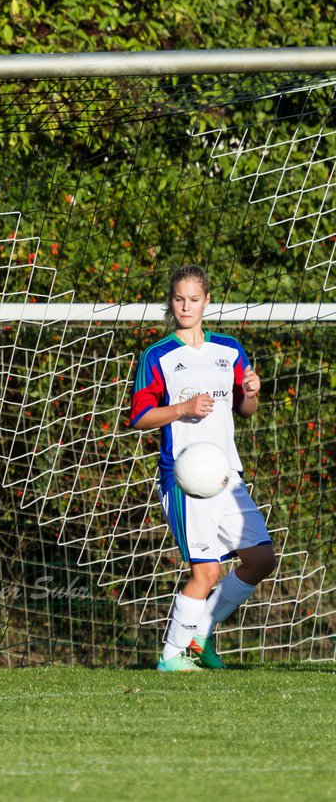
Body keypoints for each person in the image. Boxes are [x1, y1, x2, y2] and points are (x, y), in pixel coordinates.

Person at [130, 264, 276, 671]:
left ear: (207, 301)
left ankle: (201, 632)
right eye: (179, 299)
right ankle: (171, 656)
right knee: (207, 571)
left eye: (194, 299)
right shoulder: (157, 355)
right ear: (170, 302)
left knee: (261, 559)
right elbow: (140, 417)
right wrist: (182, 408)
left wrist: (250, 392)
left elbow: (245, 410)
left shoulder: (229, 349)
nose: (186, 306)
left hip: (228, 475)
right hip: (186, 480)